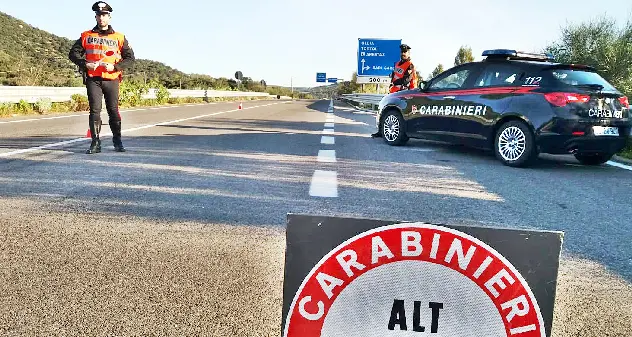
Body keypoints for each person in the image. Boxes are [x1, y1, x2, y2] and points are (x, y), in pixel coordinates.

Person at [69, 1, 135, 154]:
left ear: (109, 17)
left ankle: (117, 141)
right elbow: (73, 54)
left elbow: (130, 58)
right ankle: (95, 142)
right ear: (96, 17)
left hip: (111, 78)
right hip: (94, 79)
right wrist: (85, 64)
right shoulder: (86, 36)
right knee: (94, 111)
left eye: (104, 15)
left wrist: (116, 67)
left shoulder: (119, 37)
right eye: (99, 15)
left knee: (113, 110)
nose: (101, 18)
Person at [372, 43, 418, 138]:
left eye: (405, 52)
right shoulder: (397, 64)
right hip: (394, 91)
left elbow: (407, 80)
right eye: (402, 52)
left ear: (409, 53)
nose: (403, 53)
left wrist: (396, 83)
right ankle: (381, 131)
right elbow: (394, 76)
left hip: (406, 92)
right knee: (385, 111)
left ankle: (400, 135)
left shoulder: (410, 65)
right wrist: (391, 84)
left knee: (398, 114)